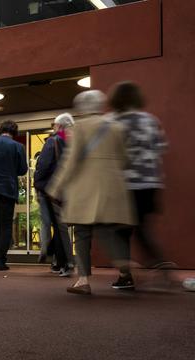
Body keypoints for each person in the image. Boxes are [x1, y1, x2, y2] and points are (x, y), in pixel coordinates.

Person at [47, 90, 136, 295]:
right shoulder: (116, 127)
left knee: (82, 233)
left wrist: (55, 186)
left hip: (86, 188)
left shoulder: (80, 128)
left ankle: (83, 280)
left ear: (82, 107)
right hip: (114, 188)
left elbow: (70, 161)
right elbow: (126, 159)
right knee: (111, 231)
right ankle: (124, 268)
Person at [107, 81, 171, 290]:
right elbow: (162, 147)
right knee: (142, 227)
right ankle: (160, 263)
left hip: (125, 183)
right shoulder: (150, 121)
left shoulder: (113, 121)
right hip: (151, 182)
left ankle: (126, 275)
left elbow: (110, 153)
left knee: (119, 231)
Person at [0, 121, 28, 271]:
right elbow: (22, 170)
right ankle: (1, 260)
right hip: (8, 189)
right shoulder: (17, 146)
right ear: (14, 132)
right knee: (6, 225)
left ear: (0, 130)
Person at [34, 113, 75, 277]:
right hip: (68, 190)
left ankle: (66, 262)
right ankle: (58, 262)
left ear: (58, 126)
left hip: (51, 190)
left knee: (59, 227)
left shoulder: (53, 141)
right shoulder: (73, 143)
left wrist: (37, 186)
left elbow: (42, 166)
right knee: (61, 227)